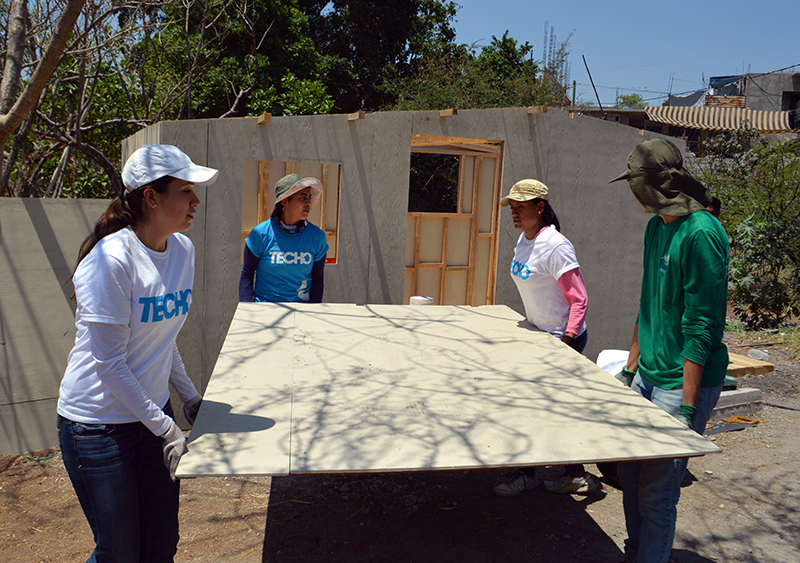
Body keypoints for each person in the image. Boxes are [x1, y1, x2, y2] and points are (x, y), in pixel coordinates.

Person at [57, 144, 218, 562]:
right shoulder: (111, 261)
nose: (195, 201)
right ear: (151, 196)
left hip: (151, 416)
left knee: (161, 545)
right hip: (97, 427)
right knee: (120, 553)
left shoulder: (182, 252)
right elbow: (109, 365)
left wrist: (190, 397)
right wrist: (168, 430)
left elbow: (164, 338)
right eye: (185, 190)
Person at [609, 138, 729, 563]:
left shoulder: (701, 235)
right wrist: (630, 368)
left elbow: (701, 326)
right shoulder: (657, 225)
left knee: (657, 492)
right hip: (648, 374)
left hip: (681, 383)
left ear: (659, 185)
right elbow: (649, 303)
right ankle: (637, 553)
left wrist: (686, 409)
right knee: (629, 475)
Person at [493, 179, 599, 497]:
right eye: (512, 208)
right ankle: (571, 473)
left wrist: (564, 342)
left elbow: (579, 299)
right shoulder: (525, 241)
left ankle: (537, 474)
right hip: (539, 334)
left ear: (540, 208)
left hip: (560, 338)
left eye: (520, 207)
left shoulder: (555, 245)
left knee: (539, 409)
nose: (514, 213)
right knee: (543, 408)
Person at [239, 173, 329, 303]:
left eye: (309, 197)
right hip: (265, 311)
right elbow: (247, 275)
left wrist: (313, 312)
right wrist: (246, 311)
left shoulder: (317, 237)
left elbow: (318, 279)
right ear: (285, 201)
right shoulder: (260, 234)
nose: (309, 203)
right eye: (303, 197)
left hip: (302, 311)